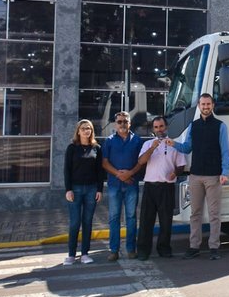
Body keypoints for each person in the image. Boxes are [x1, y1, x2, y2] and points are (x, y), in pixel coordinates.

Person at [166, 93, 229, 260]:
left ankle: (214, 248)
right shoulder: (193, 126)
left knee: (214, 214)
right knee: (195, 213)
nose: (206, 107)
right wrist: (174, 144)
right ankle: (194, 246)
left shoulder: (220, 126)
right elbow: (187, 148)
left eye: (208, 104)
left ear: (212, 105)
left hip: (214, 176)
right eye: (203, 104)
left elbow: (225, 151)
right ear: (200, 106)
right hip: (195, 176)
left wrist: (225, 172)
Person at [136, 116, 186, 260]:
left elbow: (181, 165)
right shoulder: (147, 144)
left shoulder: (175, 144)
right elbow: (141, 161)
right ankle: (143, 250)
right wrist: (153, 148)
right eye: (156, 127)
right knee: (146, 220)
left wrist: (175, 173)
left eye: (161, 126)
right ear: (153, 129)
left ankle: (164, 248)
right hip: (150, 187)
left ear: (166, 127)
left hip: (167, 188)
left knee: (166, 221)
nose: (159, 130)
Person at [102, 111, 144, 260]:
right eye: (119, 121)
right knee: (114, 218)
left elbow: (141, 162)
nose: (122, 124)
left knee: (131, 218)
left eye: (125, 121)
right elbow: (105, 163)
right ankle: (114, 250)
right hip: (114, 185)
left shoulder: (137, 141)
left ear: (130, 123)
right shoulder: (109, 141)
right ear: (115, 123)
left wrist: (130, 174)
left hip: (132, 185)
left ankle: (131, 249)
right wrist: (120, 175)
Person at [63, 119, 104, 265]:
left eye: (89, 128)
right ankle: (71, 255)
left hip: (92, 189)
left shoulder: (97, 148)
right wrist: (68, 189)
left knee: (87, 222)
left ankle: (85, 253)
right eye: (83, 128)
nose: (86, 130)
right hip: (75, 189)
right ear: (78, 131)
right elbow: (66, 170)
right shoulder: (72, 148)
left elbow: (100, 171)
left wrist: (100, 189)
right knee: (75, 223)